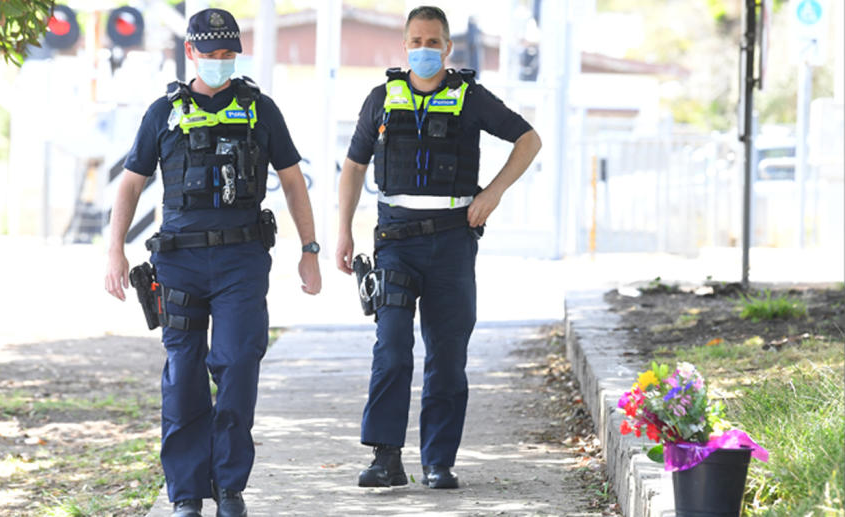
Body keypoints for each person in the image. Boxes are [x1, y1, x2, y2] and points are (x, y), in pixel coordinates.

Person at [104, 8, 321, 517]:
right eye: (211, 54)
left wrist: (309, 250)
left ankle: (229, 487)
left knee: (239, 364)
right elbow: (132, 182)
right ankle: (185, 494)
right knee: (184, 375)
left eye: (229, 54)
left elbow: (292, 180)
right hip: (179, 263)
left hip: (242, 261)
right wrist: (115, 247)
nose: (221, 63)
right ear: (191, 53)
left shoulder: (260, 109)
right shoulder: (163, 112)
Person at [335, 5, 542, 490]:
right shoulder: (381, 99)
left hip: (451, 240)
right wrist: (342, 231)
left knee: (447, 356)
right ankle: (386, 457)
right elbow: (353, 167)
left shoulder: (469, 96)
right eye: (416, 42)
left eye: (433, 43)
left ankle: (438, 461)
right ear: (403, 46)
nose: (424, 50)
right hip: (395, 242)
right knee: (391, 350)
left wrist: (493, 193)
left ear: (448, 48)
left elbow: (528, 141)